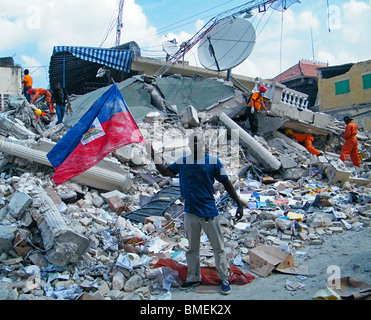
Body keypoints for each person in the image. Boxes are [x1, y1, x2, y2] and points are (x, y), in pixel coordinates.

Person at [152, 132, 244, 295]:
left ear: (203, 144)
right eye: (192, 143)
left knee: (218, 248)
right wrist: (154, 156)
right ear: (188, 145)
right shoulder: (183, 161)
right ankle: (193, 278)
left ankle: (224, 278)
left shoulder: (214, 162)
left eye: (198, 143)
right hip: (191, 213)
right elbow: (166, 172)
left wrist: (239, 204)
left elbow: (227, 183)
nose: (195, 146)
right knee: (192, 249)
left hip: (209, 212)